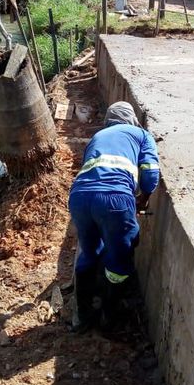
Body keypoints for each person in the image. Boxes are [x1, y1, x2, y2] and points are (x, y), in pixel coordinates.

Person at [68, 101, 160, 332]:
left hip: (79, 197)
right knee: (121, 258)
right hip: (115, 198)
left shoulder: (98, 136)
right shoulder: (141, 134)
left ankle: (84, 316)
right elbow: (149, 174)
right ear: (132, 119)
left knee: (89, 251)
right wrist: (144, 196)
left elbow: (88, 169)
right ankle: (109, 319)